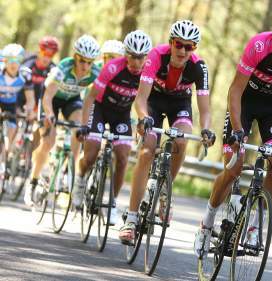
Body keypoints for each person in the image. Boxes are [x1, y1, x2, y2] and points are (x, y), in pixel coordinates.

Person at [194, 2, 272, 257]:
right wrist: (238, 129)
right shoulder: (259, 46)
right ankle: (206, 224)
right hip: (244, 103)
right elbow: (235, 89)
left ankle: (253, 226)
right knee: (233, 167)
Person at [119, 20, 216, 244]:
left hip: (180, 104)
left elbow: (205, 108)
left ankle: (165, 190)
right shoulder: (155, 56)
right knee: (147, 151)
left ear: (194, 49)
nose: (182, 50)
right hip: (153, 102)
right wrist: (144, 118)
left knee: (181, 141)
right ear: (171, 42)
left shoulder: (199, 67)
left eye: (189, 46)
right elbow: (140, 98)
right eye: (178, 44)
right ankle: (131, 219)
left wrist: (207, 129)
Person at [72, 30, 152, 226]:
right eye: (132, 56)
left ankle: (111, 204)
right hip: (99, 109)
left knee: (123, 157)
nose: (136, 61)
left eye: (141, 57)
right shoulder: (112, 67)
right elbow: (90, 97)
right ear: (126, 54)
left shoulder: (147, 73)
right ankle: (80, 180)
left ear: (146, 57)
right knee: (90, 155)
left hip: (121, 114)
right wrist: (84, 125)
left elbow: (146, 101)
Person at [24, 34, 101, 206]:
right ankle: (33, 182)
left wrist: (86, 124)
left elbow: (94, 98)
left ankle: (70, 175)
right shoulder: (64, 67)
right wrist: (50, 114)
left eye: (90, 62)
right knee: (48, 142)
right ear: (75, 57)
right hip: (52, 100)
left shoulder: (95, 72)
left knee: (78, 130)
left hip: (71, 100)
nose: (85, 66)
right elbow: (48, 96)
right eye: (82, 61)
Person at [0, 43, 35, 144]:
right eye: (10, 59)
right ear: (4, 60)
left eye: (17, 60)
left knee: (12, 130)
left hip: (11, 103)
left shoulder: (25, 74)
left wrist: (29, 110)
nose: (13, 64)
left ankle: (5, 154)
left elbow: (30, 98)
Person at [17, 36, 59, 114]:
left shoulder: (53, 69)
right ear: (39, 50)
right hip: (21, 96)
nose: (46, 57)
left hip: (38, 100)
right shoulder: (28, 61)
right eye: (44, 52)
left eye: (51, 55)